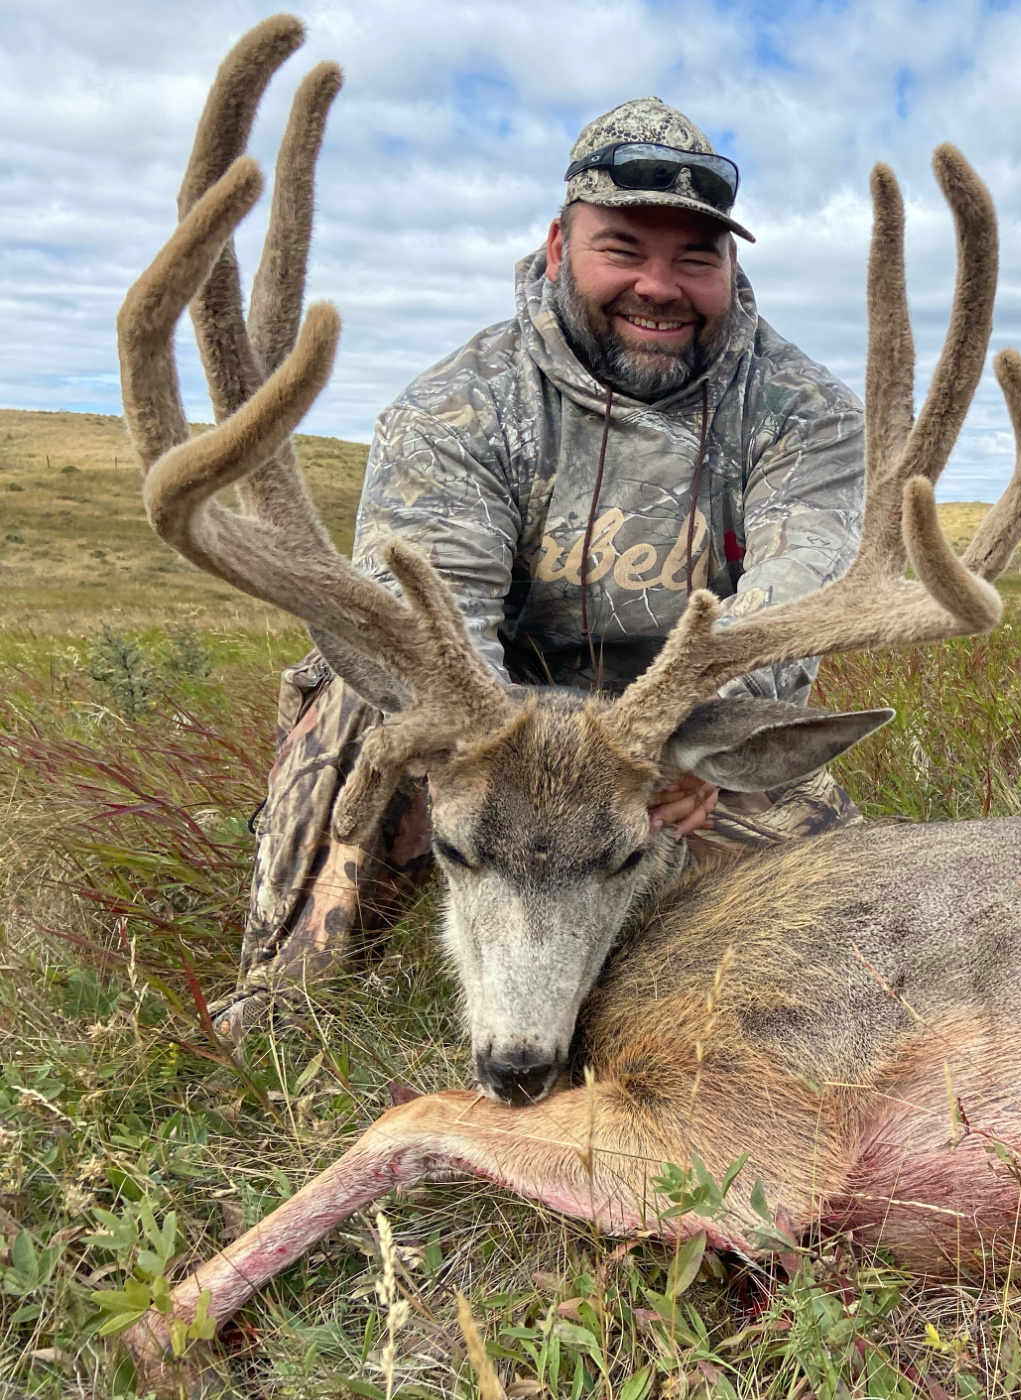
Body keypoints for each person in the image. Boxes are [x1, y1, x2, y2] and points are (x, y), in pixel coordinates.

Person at [215, 98, 867, 1038]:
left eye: (695, 256)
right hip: (492, 726)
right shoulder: (459, 408)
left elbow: (798, 588)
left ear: (731, 265)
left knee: (844, 955)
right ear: (559, 248)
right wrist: (479, 743)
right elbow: (423, 599)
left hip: (670, 738)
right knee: (373, 683)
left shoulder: (803, 412)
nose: (659, 285)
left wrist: (676, 739)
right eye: (623, 248)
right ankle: (287, 1008)